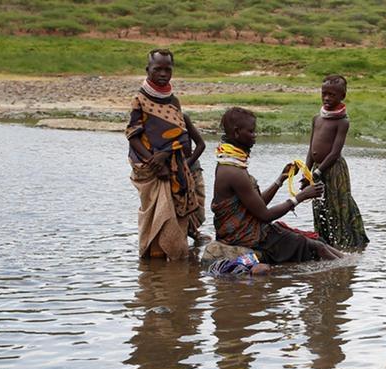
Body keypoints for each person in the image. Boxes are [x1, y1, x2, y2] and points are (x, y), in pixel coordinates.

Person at [212, 107, 343, 264]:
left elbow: (258, 204)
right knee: (316, 247)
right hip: (243, 236)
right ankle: (345, 273)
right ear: (236, 132)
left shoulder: (230, 164)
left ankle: (350, 262)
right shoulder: (234, 172)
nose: (255, 137)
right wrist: (301, 196)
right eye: (251, 132)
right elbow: (265, 215)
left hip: (249, 230)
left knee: (317, 241)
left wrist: (280, 180)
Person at [126, 48, 206, 260]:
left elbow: (181, 136)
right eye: (157, 69)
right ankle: (158, 272)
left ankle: (174, 256)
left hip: (173, 166)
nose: (162, 74)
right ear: (147, 70)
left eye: (167, 69)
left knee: (174, 217)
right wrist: (155, 162)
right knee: (155, 215)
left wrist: (165, 155)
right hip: (151, 169)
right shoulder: (139, 100)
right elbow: (133, 136)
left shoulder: (173, 102)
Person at [302, 74, 368, 250]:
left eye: (332, 95)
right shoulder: (317, 118)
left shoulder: (342, 121)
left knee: (338, 205)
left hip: (333, 170)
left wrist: (318, 172)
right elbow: (311, 149)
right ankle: (325, 243)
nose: (327, 98)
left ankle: (346, 242)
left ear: (342, 96)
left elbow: (334, 152)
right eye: (324, 93)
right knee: (320, 206)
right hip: (317, 170)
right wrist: (306, 172)